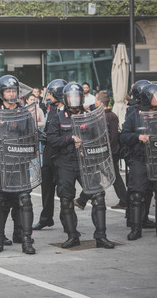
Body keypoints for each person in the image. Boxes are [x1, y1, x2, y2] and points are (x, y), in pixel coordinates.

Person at [47, 82, 115, 249]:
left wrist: (88, 147)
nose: (74, 100)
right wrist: (69, 139)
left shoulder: (90, 115)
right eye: (71, 97)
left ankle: (101, 236)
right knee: (65, 200)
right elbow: (52, 140)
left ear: (82, 97)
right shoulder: (58, 117)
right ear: (66, 98)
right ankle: (72, 236)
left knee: (98, 197)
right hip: (66, 162)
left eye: (77, 97)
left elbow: (100, 136)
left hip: (87, 162)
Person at [0, 75, 36, 255]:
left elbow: (31, 137)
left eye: (13, 91)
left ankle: (26, 240)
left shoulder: (24, 112)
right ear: (1, 92)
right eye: (8, 91)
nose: (11, 94)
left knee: (24, 198)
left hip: (19, 161)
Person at [74, 91, 127, 210]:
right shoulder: (113, 115)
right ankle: (82, 200)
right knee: (108, 176)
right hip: (114, 150)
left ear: (100, 102)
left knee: (105, 176)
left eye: (96, 101)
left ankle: (124, 201)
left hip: (105, 152)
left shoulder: (102, 116)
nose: (94, 103)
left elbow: (103, 135)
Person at [120, 83, 157, 240]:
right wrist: (138, 137)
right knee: (137, 194)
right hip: (139, 159)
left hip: (156, 159)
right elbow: (124, 136)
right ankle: (135, 228)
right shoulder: (134, 115)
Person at [33, 79, 67, 231]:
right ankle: (46, 218)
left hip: (62, 155)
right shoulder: (51, 108)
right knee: (46, 188)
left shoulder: (69, 111)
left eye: (51, 94)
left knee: (64, 190)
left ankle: (68, 222)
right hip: (48, 154)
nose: (48, 97)